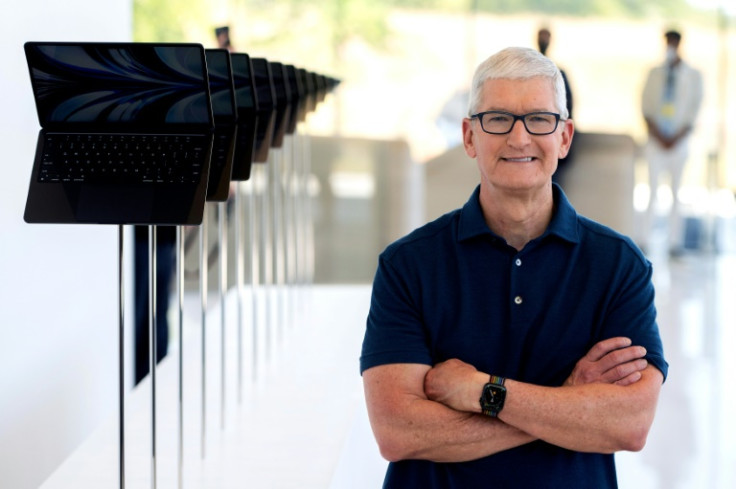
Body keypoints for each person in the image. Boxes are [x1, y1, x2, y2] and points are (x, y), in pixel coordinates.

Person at [360, 46, 668, 488]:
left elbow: (629, 424)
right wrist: (567, 402)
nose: (519, 138)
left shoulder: (619, 265)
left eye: (540, 119)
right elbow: (398, 432)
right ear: (469, 136)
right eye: (498, 119)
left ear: (564, 137)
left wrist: (482, 390)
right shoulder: (407, 266)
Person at [641, 29, 703, 254]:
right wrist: (658, 134)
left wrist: (677, 136)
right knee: (652, 190)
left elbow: (694, 109)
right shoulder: (655, 73)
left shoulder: (693, 75)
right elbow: (645, 105)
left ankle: (675, 242)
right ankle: (645, 239)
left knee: (677, 192)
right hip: (657, 141)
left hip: (679, 142)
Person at [537, 27, 575, 183]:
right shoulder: (527, 72)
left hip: (551, 136)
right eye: (541, 38)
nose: (543, 42)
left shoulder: (558, 74)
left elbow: (569, 107)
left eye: (546, 38)